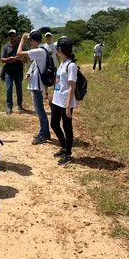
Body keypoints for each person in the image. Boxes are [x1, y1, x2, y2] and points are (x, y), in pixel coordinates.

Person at [17, 29, 51, 145]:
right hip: (36, 84)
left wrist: (22, 40)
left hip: (37, 86)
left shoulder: (39, 51)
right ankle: (45, 132)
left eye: (30, 41)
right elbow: (34, 63)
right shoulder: (41, 50)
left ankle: (44, 133)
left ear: (32, 40)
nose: (30, 44)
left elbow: (19, 53)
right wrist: (29, 73)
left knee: (39, 110)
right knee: (39, 109)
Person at [50, 37, 78, 165]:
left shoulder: (71, 65)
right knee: (54, 124)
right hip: (57, 99)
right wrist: (53, 94)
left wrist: (68, 106)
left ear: (60, 49)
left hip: (66, 101)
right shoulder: (62, 63)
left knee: (67, 127)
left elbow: (72, 86)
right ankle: (63, 146)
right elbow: (58, 81)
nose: (56, 51)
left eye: (57, 49)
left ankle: (68, 153)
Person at [1, 29, 25, 114]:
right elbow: (2, 59)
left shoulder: (21, 47)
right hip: (9, 72)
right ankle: (9, 107)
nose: (11, 37)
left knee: (19, 89)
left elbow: (26, 59)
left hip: (18, 71)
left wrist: (21, 59)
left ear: (17, 37)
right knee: (9, 89)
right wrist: (9, 59)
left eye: (13, 36)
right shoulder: (6, 47)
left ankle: (19, 105)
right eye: (10, 36)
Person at [44, 32, 59, 100]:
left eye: (49, 36)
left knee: (55, 79)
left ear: (51, 37)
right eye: (47, 36)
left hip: (54, 65)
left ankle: (56, 93)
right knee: (46, 79)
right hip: (46, 65)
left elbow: (57, 55)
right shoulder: (44, 46)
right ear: (45, 38)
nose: (48, 38)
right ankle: (46, 93)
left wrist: (59, 63)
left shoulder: (54, 46)